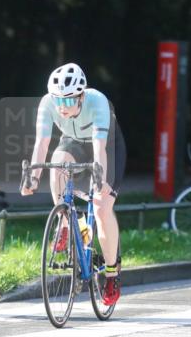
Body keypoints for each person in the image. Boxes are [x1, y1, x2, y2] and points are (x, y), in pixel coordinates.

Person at [23, 63, 127, 305]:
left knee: (101, 207)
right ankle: (65, 222)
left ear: (81, 96)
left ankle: (111, 272)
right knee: (57, 162)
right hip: (74, 141)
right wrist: (33, 179)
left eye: (69, 101)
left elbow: (99, 149)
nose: (62, 107)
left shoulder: (97, 102)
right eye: (58, 100)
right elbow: (41, 143)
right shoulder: (48, 104)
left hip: (105, 144)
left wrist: (99, 181)